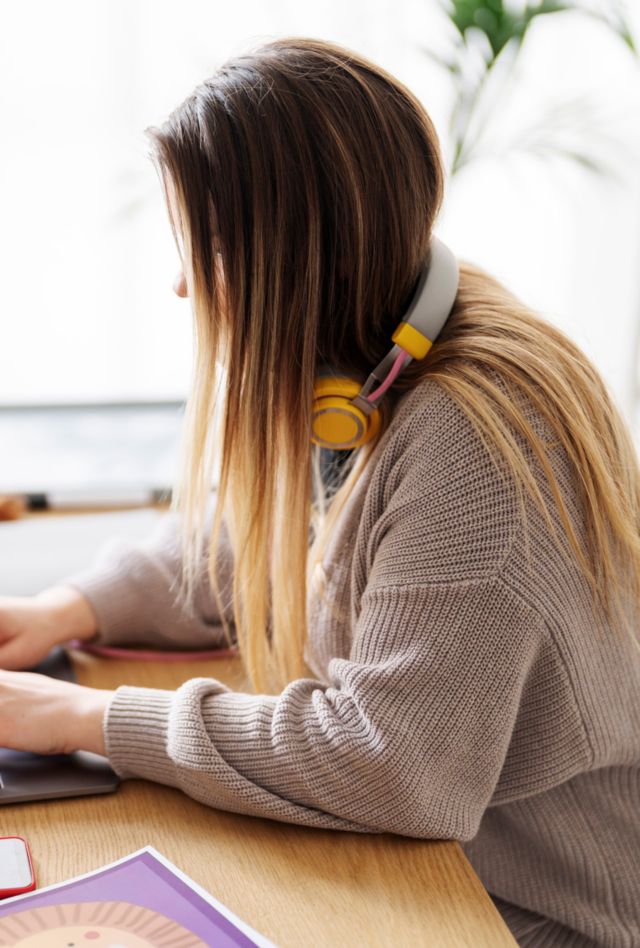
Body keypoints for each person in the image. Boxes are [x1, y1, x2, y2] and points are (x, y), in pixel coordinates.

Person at [0, 37, 638, 948]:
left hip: (529, 915)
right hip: (439, 878)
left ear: (298, 254)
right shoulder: (381, 346)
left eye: (205, 249)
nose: (183, 286)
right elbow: (267, 533)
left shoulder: (478, 438)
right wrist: (68, 609)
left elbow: (394, 766)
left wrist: (90, 718)